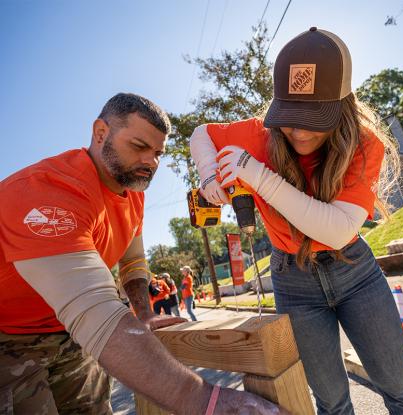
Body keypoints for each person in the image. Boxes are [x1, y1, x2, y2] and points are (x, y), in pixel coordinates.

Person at [0, 93, 286, 415]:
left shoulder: (131, 190)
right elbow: (97, 315)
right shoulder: (47, 190)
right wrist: (209, 403)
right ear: (100, 133)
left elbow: (133, 260)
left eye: (158, 153)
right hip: (10, 338)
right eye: (139, 147)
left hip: (69, 334)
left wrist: (144, 312)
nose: (151, 162)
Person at [190, 28, 403, 414]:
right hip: (291, 278)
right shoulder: (260, 135)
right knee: (330, 401)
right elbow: (200, 134)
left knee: (399, 388)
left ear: (342, 107)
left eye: (312, 118)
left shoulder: (365, 144)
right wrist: (210, 173)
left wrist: (259, 176)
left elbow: (337, 229)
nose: (296, 131)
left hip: (354, 271)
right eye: (289, 116)